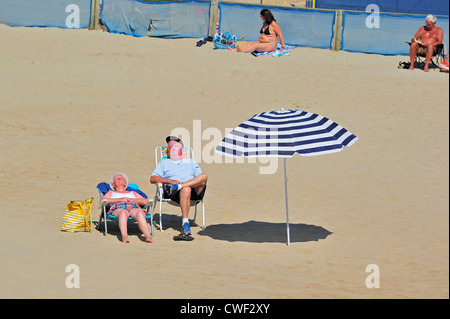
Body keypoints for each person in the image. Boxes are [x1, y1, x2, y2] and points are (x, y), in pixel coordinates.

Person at [150, 136, 208, 241]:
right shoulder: (164, 163)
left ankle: (182, 185)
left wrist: (183, 184)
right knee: (186, 190)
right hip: (174, 192)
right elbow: (153, 178)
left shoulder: (190, 161)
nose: (172, 148)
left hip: (194, 190)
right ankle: (185, 223)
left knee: (204, 176)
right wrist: (169, 181)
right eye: (170, 147)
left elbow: (201, 179)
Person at [101, 173, 152, 243]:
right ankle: (124, 236)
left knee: (140, 213)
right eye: (116, 178)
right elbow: (102, 201)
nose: (119, 179)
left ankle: (148, 236)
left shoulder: (133, 193)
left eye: (121, 178)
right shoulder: (111, 193)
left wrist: (132, 200)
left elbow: (146, 201)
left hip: (133, 207)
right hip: (118, 207)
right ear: (112, 185)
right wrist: (120, 199)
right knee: (123, 212)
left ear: (125, 183)